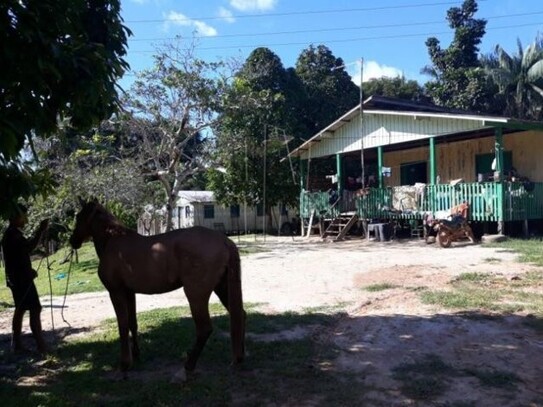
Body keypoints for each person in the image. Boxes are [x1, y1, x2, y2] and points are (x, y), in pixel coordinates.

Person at [1, 204, 49, 353]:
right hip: (21, 279)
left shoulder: (11, 234)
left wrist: (28, 270)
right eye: (23, 216)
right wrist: (40, 230)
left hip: (16, 278)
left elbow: (20, 255)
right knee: (35, 308)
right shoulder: (13, 235)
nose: (26, 220)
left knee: (21, 308)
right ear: (14, 217)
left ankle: (17, 345)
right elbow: (29, 247)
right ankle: (41, 345)